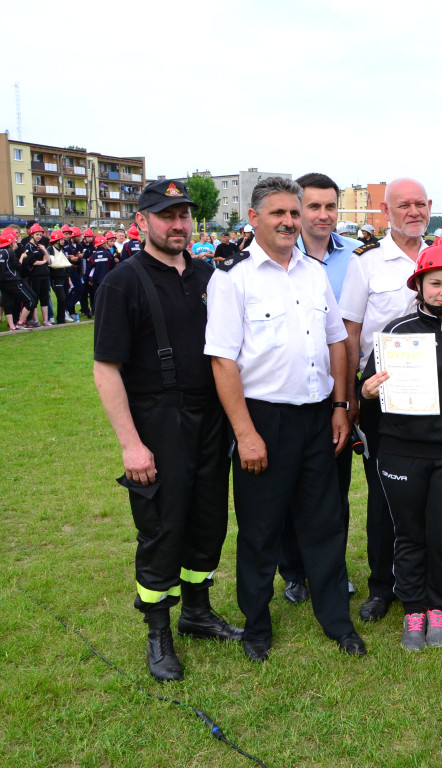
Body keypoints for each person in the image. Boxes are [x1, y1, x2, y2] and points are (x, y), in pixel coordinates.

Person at [204, 176, 365, 661]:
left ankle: (337, 620)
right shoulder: (232, 278)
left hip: (318, 417)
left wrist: (340, 406)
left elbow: (337, 342)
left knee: (325, 524)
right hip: (263, 421)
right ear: (254, 218)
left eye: (294, 214)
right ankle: (257, 626)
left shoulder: (314, 272)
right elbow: (222, 361)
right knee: (260, 530)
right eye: (278, 213)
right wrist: (245, 432)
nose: (289, 222)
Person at [93, 179, 243, 682]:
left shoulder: (209, 275)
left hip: (209, 416)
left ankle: (197, 610)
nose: (178, 225)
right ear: (143, 221)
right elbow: (106, 369)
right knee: (162, 526)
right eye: (166, 215)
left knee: (208, 520)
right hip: (158, 420)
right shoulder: (124, 281)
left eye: (183, 215)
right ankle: (158, 631)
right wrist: (131, 444)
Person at [359, 238, 442, 651]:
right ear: (419, 285)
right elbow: (369, 388)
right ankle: (413, 608)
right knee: (410, 533)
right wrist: (367, 391)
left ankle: (439, 606)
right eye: (435, 283)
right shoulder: (396, 332)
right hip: (402, 449)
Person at [338, 177, 437, 623]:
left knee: (431, 492)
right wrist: (349, 397)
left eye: (420, 204)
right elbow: (350, 332)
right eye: (404, 205)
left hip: (436, 395)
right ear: (386, 211)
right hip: (382, 394)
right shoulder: (367, 262)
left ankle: (429, 581)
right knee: (382, 492)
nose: (413, 211)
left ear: (429, 207)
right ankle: (383, 585)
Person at [276, 172, 361, 606]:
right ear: (297, 209)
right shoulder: (277, 258)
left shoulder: (357, 258)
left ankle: (332, 568)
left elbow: (348, 335)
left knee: (333, 489)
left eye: (331, 207)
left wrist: (345, 401)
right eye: (314, 206)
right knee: (287, 488)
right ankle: (293, 572)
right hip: (288, 393)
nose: (324, 215)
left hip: (338, 389)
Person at [0, 227, 38, 331]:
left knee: (7, 303)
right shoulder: (10, 253)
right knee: (30, 300)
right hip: (13, 280)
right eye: (14, 241)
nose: (16, 243)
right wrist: (22, 256)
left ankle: (12, 326)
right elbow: (18, 266)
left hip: (2, 282)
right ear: (10, 243)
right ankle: (21, 322)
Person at [21, 223, 51, 325]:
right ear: (32, 235)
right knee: (35, 297)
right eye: (37, 234)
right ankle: (35, 319)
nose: (39, 236)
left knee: (45, 297)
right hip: (35, 275)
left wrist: (45, 251)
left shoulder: (41, 246)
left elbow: (49, 261)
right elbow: (32, 262)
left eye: (40, 234)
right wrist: (43, 261)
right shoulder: (28, 246)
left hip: (45, 274)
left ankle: (46, 320)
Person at [47, 229, 73, 323]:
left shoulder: (62, 249)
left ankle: (62, 318)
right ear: (57, 240)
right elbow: (53, 263)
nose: (63, 241)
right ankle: (60, 319)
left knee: (65, 298)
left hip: (64, 276)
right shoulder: (50, 250)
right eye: (61, 239)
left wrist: (68, 279)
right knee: (61, 298)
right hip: (56, 278)